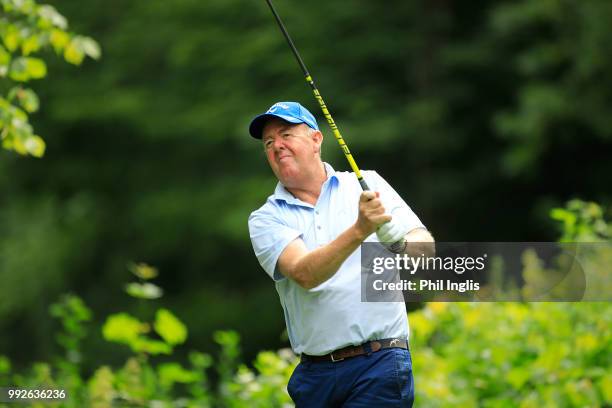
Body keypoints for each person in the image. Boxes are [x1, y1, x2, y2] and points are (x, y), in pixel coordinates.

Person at [247, 101, 434, 407]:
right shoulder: (266, 217)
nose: (277, 146)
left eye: (286, 135)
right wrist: (360, 230)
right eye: (269, 143)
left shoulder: (366, 184)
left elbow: (424, 250)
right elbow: (305, 274)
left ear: (316, 139)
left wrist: (400, 243)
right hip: (314, 374)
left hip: (380, 361)